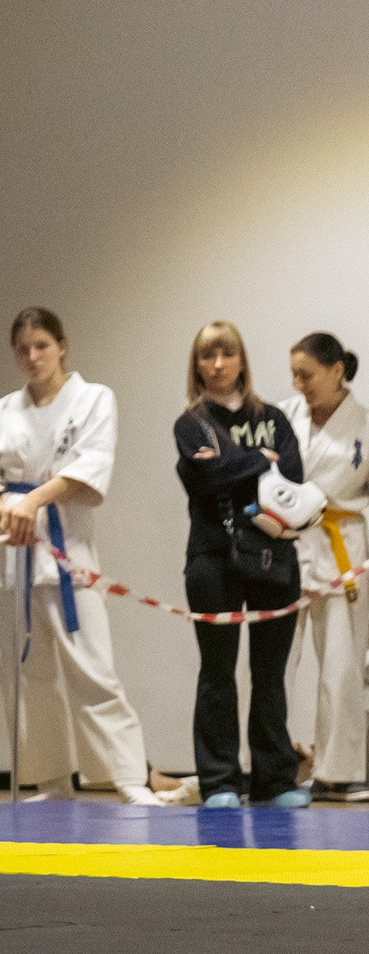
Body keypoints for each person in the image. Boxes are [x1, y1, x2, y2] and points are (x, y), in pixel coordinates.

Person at [0, 307, 160, 804]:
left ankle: (127, 777)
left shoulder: (93, 398)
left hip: (66, 551)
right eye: (22, 349)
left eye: (41, 346)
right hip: (12, 558)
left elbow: (90, 468)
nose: (32, 357)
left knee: (92, 666)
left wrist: (31, 501)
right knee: (24, 673)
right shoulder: (0, 411)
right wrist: (7, 509)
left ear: (62, 345)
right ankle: (51, 780)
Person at [171, 321, 307, 809]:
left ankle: (275, 779)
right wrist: (258, 462)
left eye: (226, 355)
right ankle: (220, 781)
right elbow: (206, 478)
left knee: (269, 671)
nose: (218, 365)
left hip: (275, 555)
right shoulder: (190, 424)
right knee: (217, 670)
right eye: (207, 356)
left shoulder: (274, 417)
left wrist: (234, 461)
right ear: (197, 365)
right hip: (213, 558)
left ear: (242, 360)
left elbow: (291, 475)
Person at [284, 332, 369, 801]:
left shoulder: (365, 424)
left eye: (307, 374)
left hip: (343, 550)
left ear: (337, 370)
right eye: (293, 374)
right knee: (272, 662)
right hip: (287, 545)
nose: (298, 384)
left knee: (341, 663)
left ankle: (339, 770)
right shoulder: (283, 415)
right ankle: (268, 764)